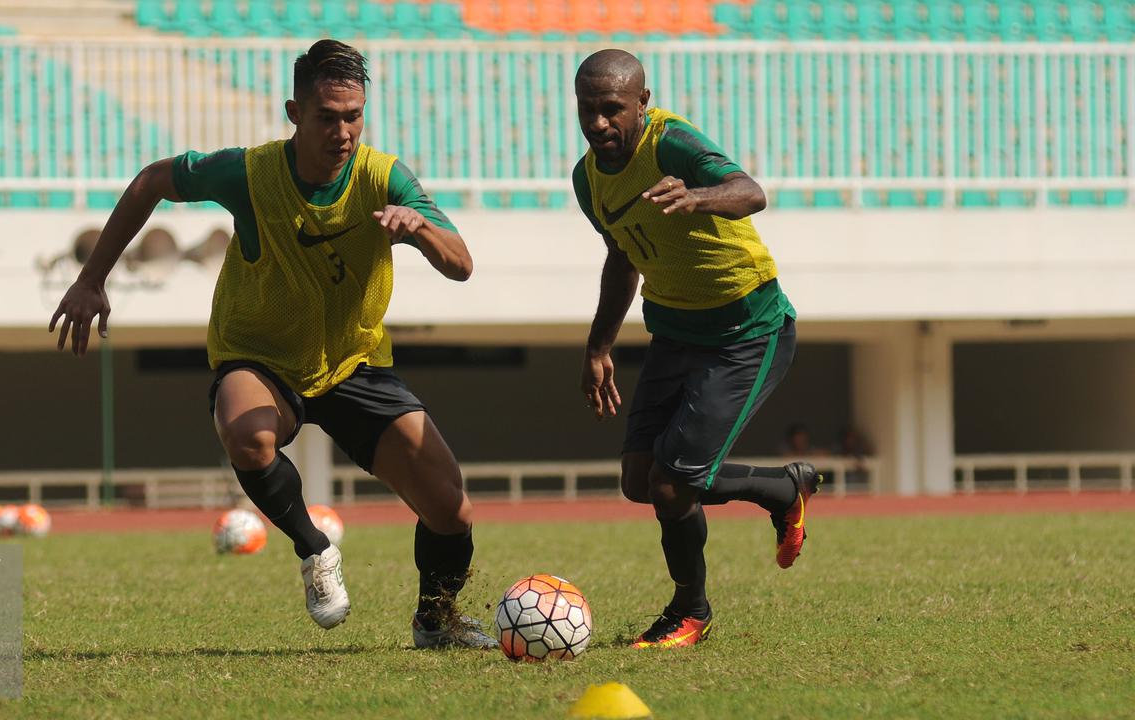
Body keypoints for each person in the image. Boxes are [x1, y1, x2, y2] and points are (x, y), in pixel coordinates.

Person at [49, 39, 494, 649]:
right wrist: (91, 278)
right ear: (294, 113)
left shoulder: (384, 177)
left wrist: (418, 228)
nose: (344, 132)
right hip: (260, 353)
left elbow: (462, 264)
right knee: (248, 433)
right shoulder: (249, 172)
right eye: (328, 117)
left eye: (354, 116)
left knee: (452, 510)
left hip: (351, 360)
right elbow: (153, 179)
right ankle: (315, 550)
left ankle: (434, 621)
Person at [571, 49, 822, 649]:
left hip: (747, 330)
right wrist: (599, 344)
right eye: (588, 110)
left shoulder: (672, 143)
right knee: (640, 479)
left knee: (671, 484)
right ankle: (784, 489)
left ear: (642, 104)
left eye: (613, 109)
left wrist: (698, 197)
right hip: (675, 333)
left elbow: (750, 191)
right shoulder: (588, 181)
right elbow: (621, 255)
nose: (600, 123)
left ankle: (691, 611)